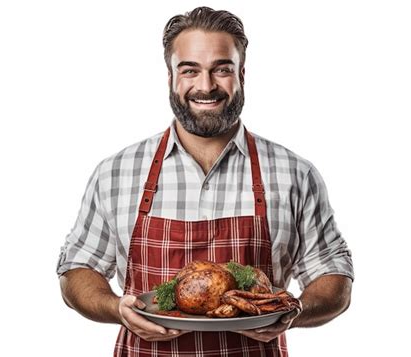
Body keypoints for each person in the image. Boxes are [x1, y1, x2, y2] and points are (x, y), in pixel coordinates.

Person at [57, 6, 354, 356]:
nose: (206, 86)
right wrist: (115, 308)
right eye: (190, 70)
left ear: (242, 73)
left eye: (222, 69)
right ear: (170, 77)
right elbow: (78, 268)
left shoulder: (294, 174)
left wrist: (295, 311)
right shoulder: (117, 172)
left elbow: (334, 274)